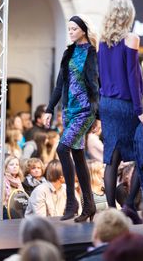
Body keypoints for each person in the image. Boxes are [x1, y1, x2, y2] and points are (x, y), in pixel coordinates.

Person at [97, 0, 143, 218]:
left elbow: (100, 76)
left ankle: (111, 211)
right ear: (129, 15)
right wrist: (140, 111)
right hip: (126, 105)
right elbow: (133, 78)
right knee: (142, 155)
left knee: (112, 158)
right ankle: (128, 205)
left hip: (106, 103)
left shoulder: (102, 40)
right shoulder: (131, 38)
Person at [45, 15, 99, 222]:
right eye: (68, 29)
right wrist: (50, 108)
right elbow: (59, 85)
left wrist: (99, 116)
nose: (70, 32)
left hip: (85, 110)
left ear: (83, 30)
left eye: (74, 28)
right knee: (77, 155)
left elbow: (96, 85)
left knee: (62, 148)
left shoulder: (93, 53)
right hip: (68, 111)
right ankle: (89, 206)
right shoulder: (69, 53)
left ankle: (71, 202)